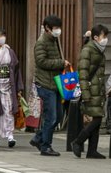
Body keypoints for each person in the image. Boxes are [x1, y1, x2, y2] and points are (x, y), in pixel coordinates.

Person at [70, 24, 109, 159]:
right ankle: (78, 141)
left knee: (97, 119)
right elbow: (83, 73)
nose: (106, 39)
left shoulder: (98, 50)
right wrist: (86, 94)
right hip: (91, 90)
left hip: (97, 90)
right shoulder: (88, 50)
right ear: (96, 37)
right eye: (104, 36)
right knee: (97, 119)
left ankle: (92, 150)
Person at [31, 14, 67, 156]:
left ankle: (38, 138)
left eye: (59, 27)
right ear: (47, 28)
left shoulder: (54, 40)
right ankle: (46, 146)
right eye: (56, 28)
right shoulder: (41, 42)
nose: (58, 30)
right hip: (45, 84)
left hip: (55, 83)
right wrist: (60, 63)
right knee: (51, 116)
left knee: (57, 116)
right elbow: (41, 61)